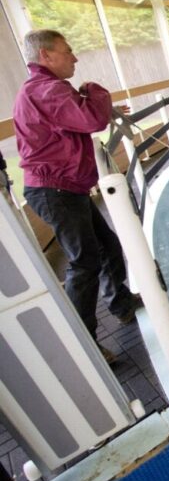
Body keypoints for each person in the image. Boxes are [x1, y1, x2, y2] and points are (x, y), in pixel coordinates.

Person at [13, 29, 141, 363]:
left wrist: (88, 97)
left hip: (65, 187)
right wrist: (95, 91)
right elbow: (91, 119)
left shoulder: (46, 90)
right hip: (55, 190)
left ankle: (122, 305)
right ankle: (84, 344)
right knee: (84, 262)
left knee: (107, 246)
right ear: (46, 56)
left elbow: (80, 117)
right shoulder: (47, 89)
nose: (75, 57)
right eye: (68, 51)